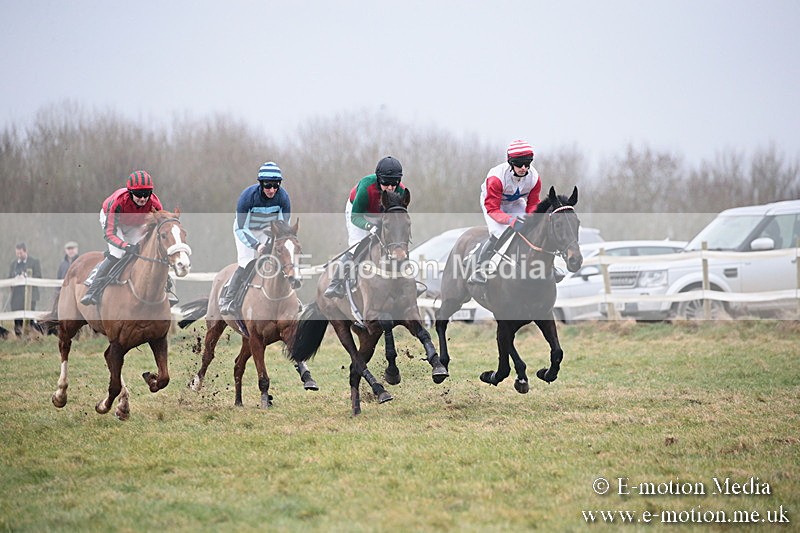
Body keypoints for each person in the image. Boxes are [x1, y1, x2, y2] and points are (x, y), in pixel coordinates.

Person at [324, 156, 407, 299]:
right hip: (359, 212)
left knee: (396, 243)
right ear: (379, 179)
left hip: (381, 214)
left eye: (394, 183)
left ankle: (406, 282)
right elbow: (355, 217)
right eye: (386, 183)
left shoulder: (401, 191)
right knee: (357, 245)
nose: (390, 187)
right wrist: (369, 226)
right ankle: (336, 282)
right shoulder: (365, 188)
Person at [80, 170, 163, 306]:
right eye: (138, 194)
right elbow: (109, 234)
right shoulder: (118, 202)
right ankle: (93, 289)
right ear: (130, 193)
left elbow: (157, 230)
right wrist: (126, 246)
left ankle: (165, 287)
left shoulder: (155, 205)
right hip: (113, 221)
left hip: (135, 223)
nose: (143, 198)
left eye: (146, 194)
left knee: (144, 252)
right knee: (118, 252)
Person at [219, 161, 291, 314]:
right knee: (247, 262)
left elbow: (283, 226)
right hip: (246, 230)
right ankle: (229, 298)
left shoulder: (283, 197)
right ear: (260, 184)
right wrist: (257, 245)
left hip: (267, 230)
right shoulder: (247, 197)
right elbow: (241, 227)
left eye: (275, 186)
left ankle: (288, 296)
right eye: (268, 186)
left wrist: (278, 243)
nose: (272, 190)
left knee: (279, 258)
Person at [469, 139, 543, 285]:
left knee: (533, 229)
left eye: (527, 164)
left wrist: (531, 220)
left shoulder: (534, 178)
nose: (523, 168)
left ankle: (549, 266)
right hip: (493, 205)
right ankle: (479, 269)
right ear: (510, 163)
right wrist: (510, 221)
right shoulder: (497, 178)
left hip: (516, 202)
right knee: (500, 232)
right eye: (519, 164)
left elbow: (533, 203)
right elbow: (493, 209)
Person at [8, 242, 42, 336]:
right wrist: (15, 278)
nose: (19, 255)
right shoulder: (13, 264)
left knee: (30, 319)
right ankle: (19, 339)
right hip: (16, 296)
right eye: (17, 253)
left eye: (21, 253)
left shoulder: (34, 262)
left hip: (30, 296)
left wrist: (27, 277)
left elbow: (39, 276)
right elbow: (9, 278)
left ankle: (33, 337)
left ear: (25, 251)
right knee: (17, 320)